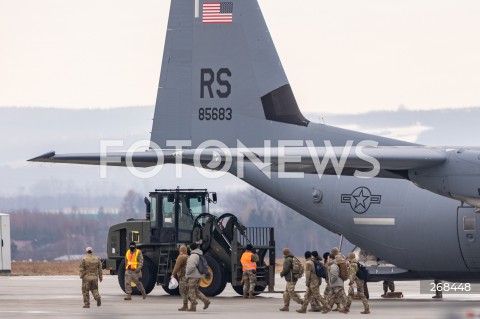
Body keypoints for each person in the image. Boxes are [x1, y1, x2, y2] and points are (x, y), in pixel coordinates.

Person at [185, 243, 210, 311]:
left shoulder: (193, 256)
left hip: (193, 276)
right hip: (198, 276)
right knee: (195, 290)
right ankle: (206, 301)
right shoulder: (199, 254)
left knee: (191, 291)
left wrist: (186, 273)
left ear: (191, 248)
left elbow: (191, 266)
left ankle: (193, 306)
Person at [172, 245, 189, 311]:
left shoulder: (181, 257)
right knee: (187, 290)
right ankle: (189, 304)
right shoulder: (188, 256)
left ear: (180, 250)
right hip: (188, 275)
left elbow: (177, 266)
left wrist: (173, 274)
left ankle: (185, 305)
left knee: (182, 290)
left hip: (183, 276)